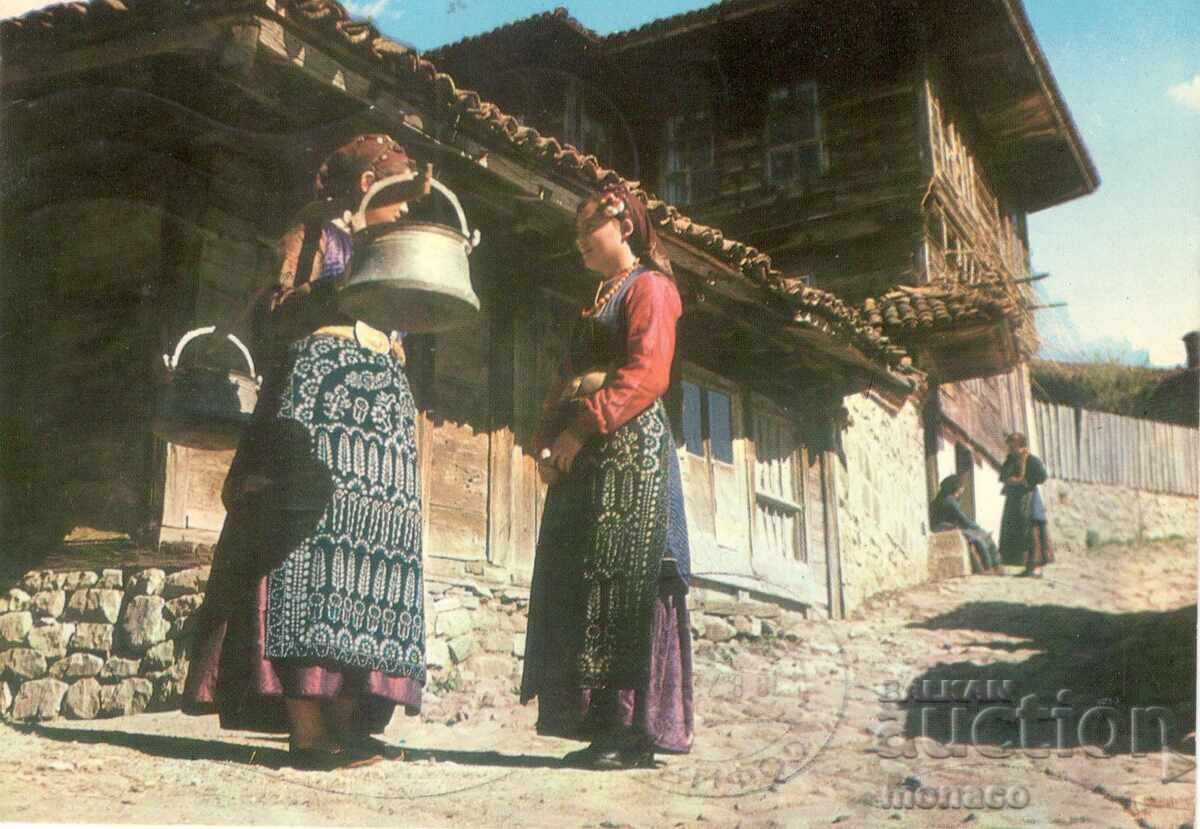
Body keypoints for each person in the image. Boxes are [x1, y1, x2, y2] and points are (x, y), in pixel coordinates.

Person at [182, 135, 428, 770]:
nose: (407, 210)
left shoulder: (396, 250)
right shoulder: (317, 234)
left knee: (370, 562)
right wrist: (341, 286)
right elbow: (274, 316)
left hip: (379, 423)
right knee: (311, 557)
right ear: (368, 183)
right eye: (400, 195)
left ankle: (350, 722)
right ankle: (309, 733)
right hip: (319, 408)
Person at [519, 185, 694, 771]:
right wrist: (547, 440)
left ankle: (634, 730)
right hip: (588, 453)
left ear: (623, 225)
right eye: (575, 233)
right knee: (585, 579)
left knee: (626, 582)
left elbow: (646, 374)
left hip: (629, 450)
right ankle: (600, 728)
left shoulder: (650, 288)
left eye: (588, 227)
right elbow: (565, 377)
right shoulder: (595, 301)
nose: (579, 241)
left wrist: (581, 428)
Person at [997, 432, 1054, 578]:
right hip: (1014, 501)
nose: (1010, 450)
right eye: (1009, 447)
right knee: (1019, 533)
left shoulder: (1032, 460)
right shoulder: (1010, 460)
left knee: (1033, 533)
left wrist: (1026, 481)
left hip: (1029, 499)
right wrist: (1011, 480)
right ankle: (1027, 567)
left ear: (1021, 446)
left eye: (1013, 447)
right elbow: (1002, 476)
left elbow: (1042, 477)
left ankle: (1037, 569)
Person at [930, 474, 1002, 574]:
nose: (963, 489)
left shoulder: (947, 498)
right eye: (962, 487)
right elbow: (964, 519)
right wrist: (978, 529)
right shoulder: (949, 501)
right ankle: (988, 567)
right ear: (956, 487)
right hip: (943, 527)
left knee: (981, 536)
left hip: (948, 526)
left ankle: (995, 566)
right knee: (978, 538)